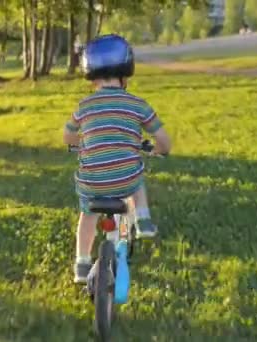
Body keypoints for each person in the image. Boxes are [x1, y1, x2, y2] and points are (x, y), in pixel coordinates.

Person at [62, 34, 172, 284]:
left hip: (92, 184)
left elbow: (68, 136)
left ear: (91, 76)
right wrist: (160, 149)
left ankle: (81, 264)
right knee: (136, 178)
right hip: (124, 181)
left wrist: (80, 144)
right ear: (125, 73)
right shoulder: (137, 104)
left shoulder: (84, 106)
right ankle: (142, 219)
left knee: (87, 216)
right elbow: (163, 139)